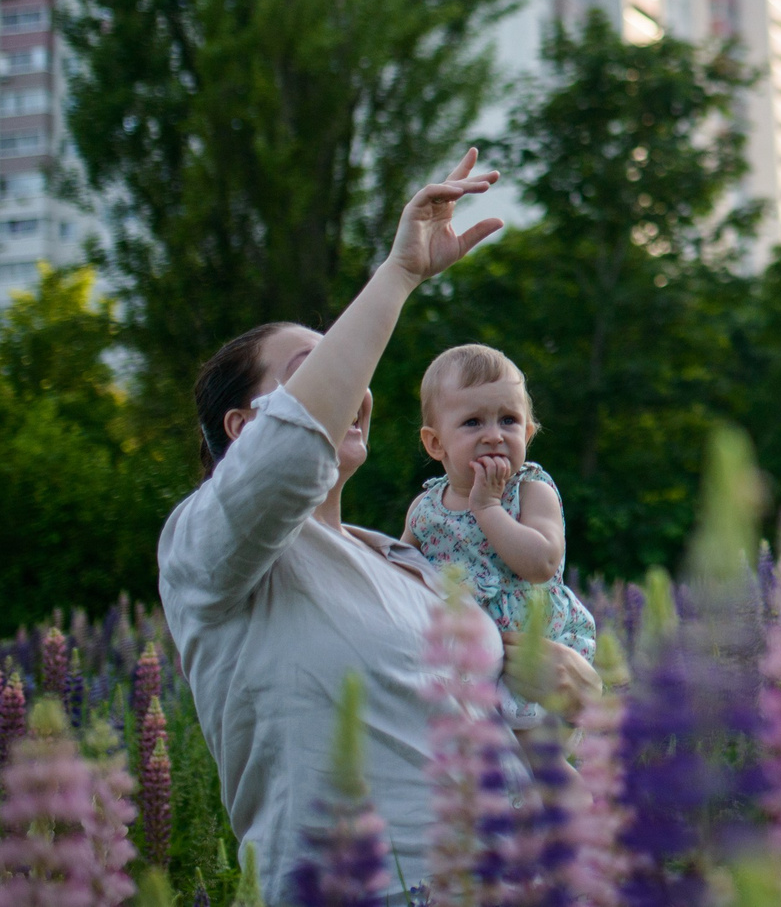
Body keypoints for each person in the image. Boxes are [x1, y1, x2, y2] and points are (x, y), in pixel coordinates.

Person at [157, 151, 598, 898]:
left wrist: (554, 683)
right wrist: (398, 274)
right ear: (242, 427)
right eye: (315, 367)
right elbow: (293, 447)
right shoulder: (210, 549)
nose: (352, 382)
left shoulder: (402, 555)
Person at [402, 343, 599, 665]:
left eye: (508, 420)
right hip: (458, 658)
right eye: (473, 422)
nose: (494, 435)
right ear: (436, 443)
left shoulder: (530, 491)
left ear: (528, 433)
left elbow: (543, 565)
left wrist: (488, 508)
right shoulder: (426, 508)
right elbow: (399, 572)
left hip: (533, 656)